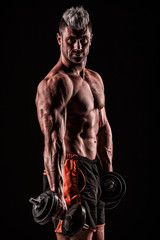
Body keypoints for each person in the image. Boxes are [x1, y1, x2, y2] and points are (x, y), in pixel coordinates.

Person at [35, 6, 113, 240]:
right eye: (71, 40)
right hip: (71, 172)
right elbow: (53, 142)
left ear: (91, 39)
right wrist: (55, 191)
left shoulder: (95, 79)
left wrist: (108, 174)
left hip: (94, 171)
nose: (77, 47)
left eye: (83, 40)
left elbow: (103, 127)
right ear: (60, 39)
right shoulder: (55, 84)